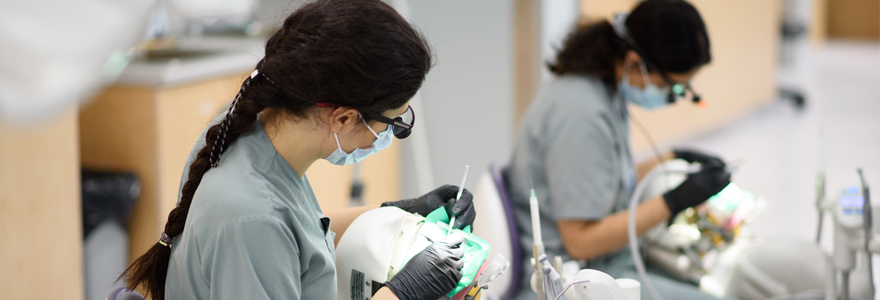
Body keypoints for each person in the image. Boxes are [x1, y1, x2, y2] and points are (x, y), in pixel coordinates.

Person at [119, 1, 477, 299]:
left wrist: (396, 212)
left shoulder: (251, 127)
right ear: (344, 118)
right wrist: (403, 292)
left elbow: (296, 232)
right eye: (394, 123)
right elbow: (269, 231)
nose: (388, 134)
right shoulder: (250, 216)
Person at [508, 0, 731, 299]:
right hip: (574, 282)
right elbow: (580, 242)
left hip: (606, 264)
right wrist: (674, 200)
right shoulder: (581, 114)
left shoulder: (602, 92)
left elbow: (605, 178)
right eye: (673, 88)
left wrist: (672, 158)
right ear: (635, 60)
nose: (672, 97)